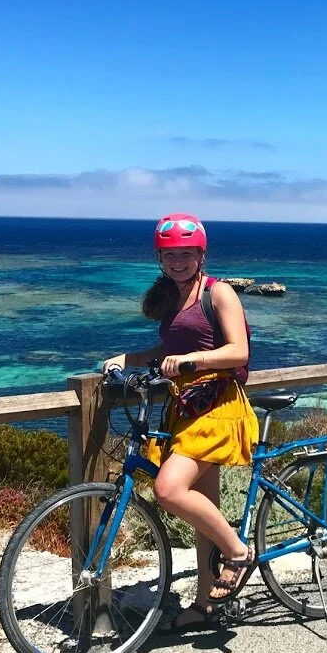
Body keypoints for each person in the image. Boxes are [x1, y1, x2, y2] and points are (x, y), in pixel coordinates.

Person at [102, 212, 259, 631]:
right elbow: (170, 345)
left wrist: (192, 361)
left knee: (168, 489)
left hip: (218, 407)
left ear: (201, 254)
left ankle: (239, 553)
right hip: (185, 408)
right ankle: (206, 604)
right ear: (159, 257)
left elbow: (238, 352)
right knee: (203, 512)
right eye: (171, 254)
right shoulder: (173, 297)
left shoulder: (219, 292)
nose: (179, 261)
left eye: (187, 253)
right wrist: (131, 359)